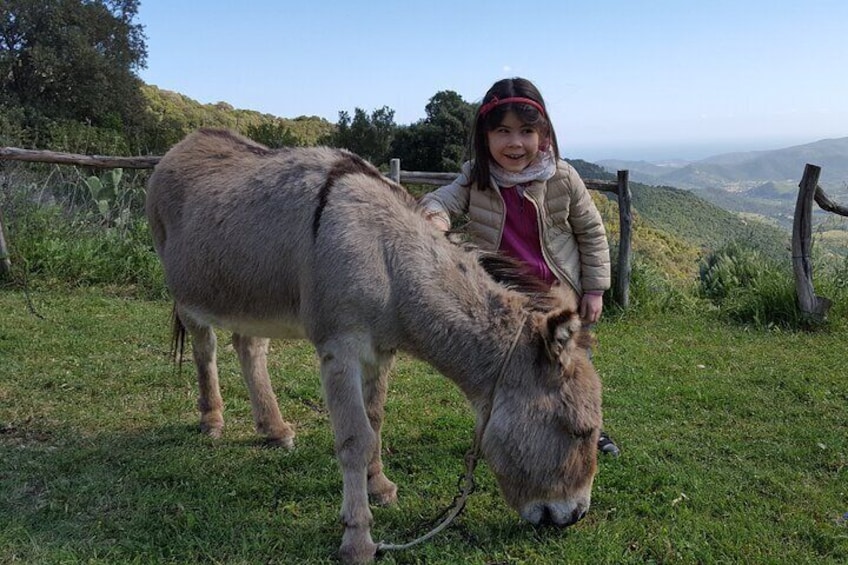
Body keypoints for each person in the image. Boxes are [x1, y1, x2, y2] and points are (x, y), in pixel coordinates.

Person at [420, 77, 620, 457]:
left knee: (573, 371)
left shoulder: (561, 177)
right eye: (503, 131)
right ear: (485, 136)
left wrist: (595, 289)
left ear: (543, 135)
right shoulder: (475, 177)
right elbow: (441, 201)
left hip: (559, 301)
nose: (515, 142)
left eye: (526, 131)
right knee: (508, 371)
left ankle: (590, 431)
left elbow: (592, 233)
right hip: (505, 303)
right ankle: (508, 429)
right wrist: (434, 218)